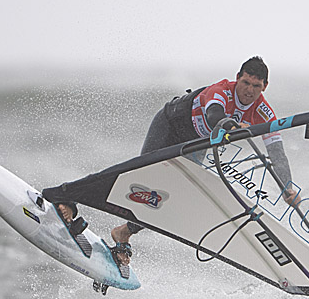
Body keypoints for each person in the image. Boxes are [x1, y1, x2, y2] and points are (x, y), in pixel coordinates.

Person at [108, 57, 299, 266]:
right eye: (245, 83)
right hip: (169, 126)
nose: (249, 91)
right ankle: (78, 200)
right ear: (237, 78)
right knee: (143, 177)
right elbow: (213, 116)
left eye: (256, 86)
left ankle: (123, 232)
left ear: (265, 86)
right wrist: (234, 127)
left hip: (194, 145)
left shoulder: (265, 112)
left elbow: (277, 153)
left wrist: (287, 188)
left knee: (169, 195)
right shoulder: (221, 91)